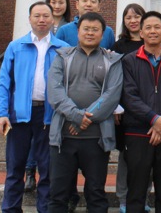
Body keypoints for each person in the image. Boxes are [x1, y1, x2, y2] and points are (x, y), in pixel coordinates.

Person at [0, 1, 70, 213]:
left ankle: (45, 209)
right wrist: (1, 113)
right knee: (15, 167)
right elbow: (4, 82)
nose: (41, 20)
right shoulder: (15, 47)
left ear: (53, 19)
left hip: (49, 116)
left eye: (46, 16)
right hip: (20, 114)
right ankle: (11, 209)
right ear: (29, 19)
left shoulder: (63, 49)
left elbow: (69, 84)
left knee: (47, 169)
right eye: (37, 16)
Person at [47, 12, 123, 213]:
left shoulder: (112, 60)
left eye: (95, 29)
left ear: (102, 33)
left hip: (97, 139)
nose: (90, 33)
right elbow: (54, 92)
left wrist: (84, 119)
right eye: (86, 29)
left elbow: (112, 95)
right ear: (78, 31)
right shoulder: (62, 57)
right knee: (58, 194)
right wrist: (76, 116)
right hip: (64, 138)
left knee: (96, 194)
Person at [121, 11, 161, 213]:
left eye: (157, 27)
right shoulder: (129, 61)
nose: (153, 31)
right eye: (148, 28)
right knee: (136, 189)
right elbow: (129, 96)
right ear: (141, 33)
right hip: (138, 133)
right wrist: (153, 119)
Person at [25, 0, 74, 193]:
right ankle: (29, 171)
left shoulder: (67, 30)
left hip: (55, 96)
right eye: (53, 2)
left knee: (48, 142)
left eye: (61, 2)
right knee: (32, 138)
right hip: (33, 96)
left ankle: (49, 184)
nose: (57, 6)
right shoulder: (36, 31)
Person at [112, 3, 150, 213]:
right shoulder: (119, 46)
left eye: (137, 16)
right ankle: (123, 198)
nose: (133, 21)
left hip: (149, 109)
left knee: (148, 157)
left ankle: (144, 197)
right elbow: (114, 78)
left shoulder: (151, 43)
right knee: (126, 157)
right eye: (129, 17)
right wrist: (116, 106)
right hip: (125, 110)